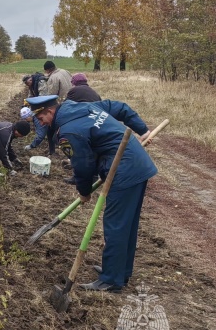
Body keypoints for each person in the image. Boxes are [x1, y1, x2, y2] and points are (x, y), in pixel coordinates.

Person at [27, 94, 155, 292]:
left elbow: (83, 165)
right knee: (127, 224)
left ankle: (112, 279)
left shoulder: (68, 132)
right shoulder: (81, 107)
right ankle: (120, 271)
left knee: (116, 225)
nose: (41, 123)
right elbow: (119, 107)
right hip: (135, 164)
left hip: (124, 169)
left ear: (50, 111)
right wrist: (143, 130)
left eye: (41, 119)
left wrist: (84, 191)